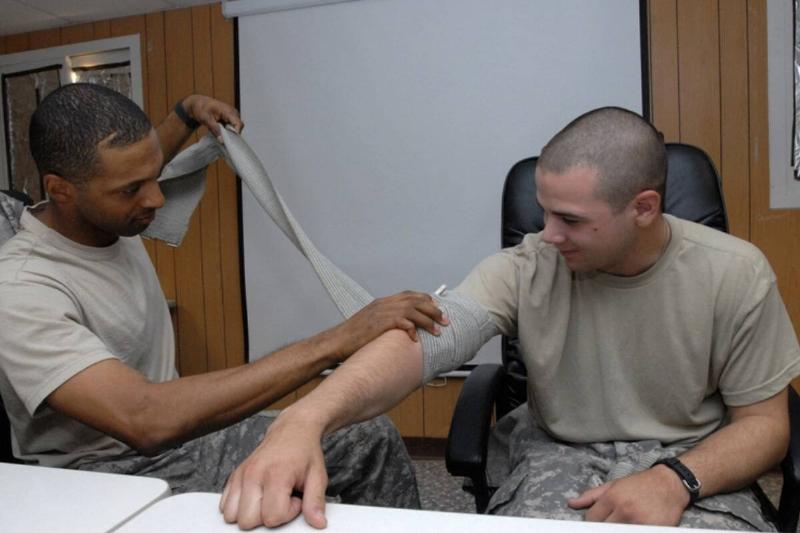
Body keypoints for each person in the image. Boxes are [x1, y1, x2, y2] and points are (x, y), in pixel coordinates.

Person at [220, 107, 800, 531]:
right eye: (545, 211)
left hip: (691, 460)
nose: (548, 233)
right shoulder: (529, 265)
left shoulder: (734, 274)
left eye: (570, 219)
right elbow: (422, 344)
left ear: (643, 208)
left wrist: (675, 480)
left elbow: (766, 424)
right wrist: (304, 420)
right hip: (561, 456)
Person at [0, 83, 450, 509]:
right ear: (60, 189)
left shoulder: (109, 212)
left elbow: (132, 166)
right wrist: (340, 339)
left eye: (154, 175)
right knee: (276, 505)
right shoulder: (22, 287)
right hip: (103, 475)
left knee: (365, 437)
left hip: (180, 443)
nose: (156, 198)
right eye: (133, 189)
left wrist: (186, 112)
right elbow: (145, 419)